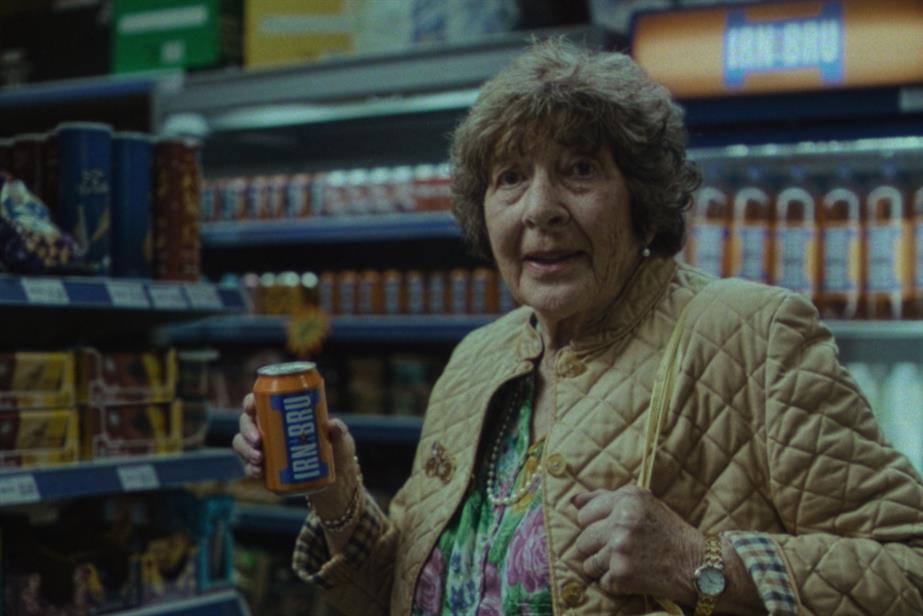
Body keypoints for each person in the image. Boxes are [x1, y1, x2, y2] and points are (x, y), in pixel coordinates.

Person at [232, 38, 923, 615]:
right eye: (508, 177)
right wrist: (334, 493)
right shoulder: (478, 361)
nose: (539, 208)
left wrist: (699, 564)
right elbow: (400, 593)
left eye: (580, 169)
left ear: (644, 201)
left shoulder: (750, 333)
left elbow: (908, 570)